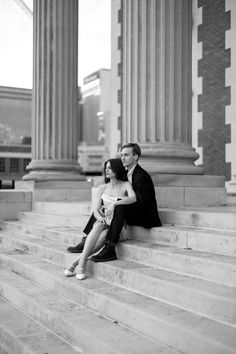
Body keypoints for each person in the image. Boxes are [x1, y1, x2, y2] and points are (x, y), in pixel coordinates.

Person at [67, 142, 162, 262]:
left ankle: (110, 247)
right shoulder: (128, 173)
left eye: (126, 155)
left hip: (145, 216)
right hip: (133, 210)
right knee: (103, 207)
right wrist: (109, 205)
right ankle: (87, 239)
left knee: (118, 208)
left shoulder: (141, 176)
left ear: (135, 157)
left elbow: (140, 202)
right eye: (122, 155)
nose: (122, 158)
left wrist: (116, 203)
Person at [64, 158, 136, 279]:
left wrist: (114, 204)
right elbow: (95, 211)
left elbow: (133, 198)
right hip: (104, 223)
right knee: (99, 225)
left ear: (117, 169)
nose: (106, 170)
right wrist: (100, 218)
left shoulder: (126, 185)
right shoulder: (102, 188)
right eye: (106, 168)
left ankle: (76, 263)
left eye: (110, 168)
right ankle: (80, 265)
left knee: (104, 234)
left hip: (117, 228)